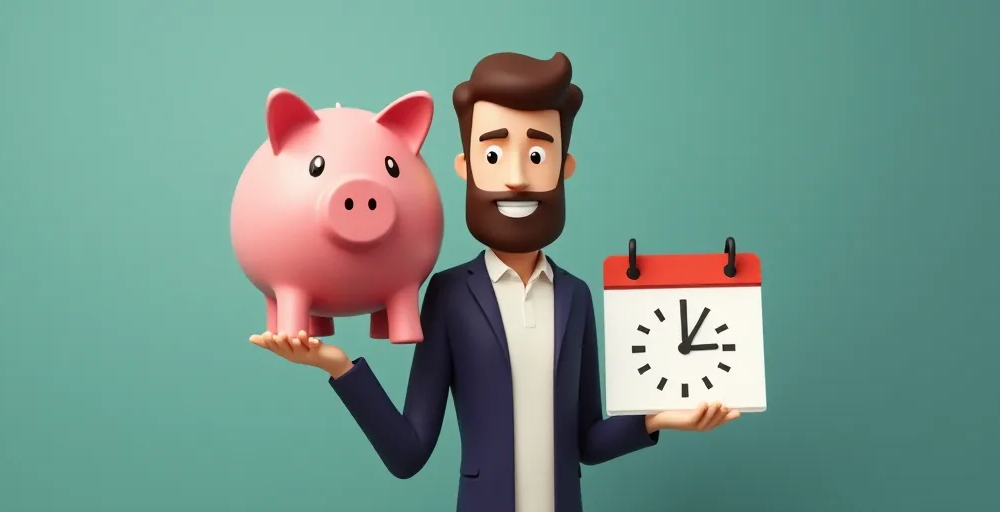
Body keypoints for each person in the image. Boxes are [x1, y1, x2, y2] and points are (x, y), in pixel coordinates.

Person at [249, 51, 740, 512]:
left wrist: (657, 417)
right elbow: (407, 453)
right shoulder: (449, 295)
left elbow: (587, 442)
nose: (516, 179)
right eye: (493, 156)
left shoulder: (576, 296)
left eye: (537, 156)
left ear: (564, 169)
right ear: (465, 168)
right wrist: (338, 366)